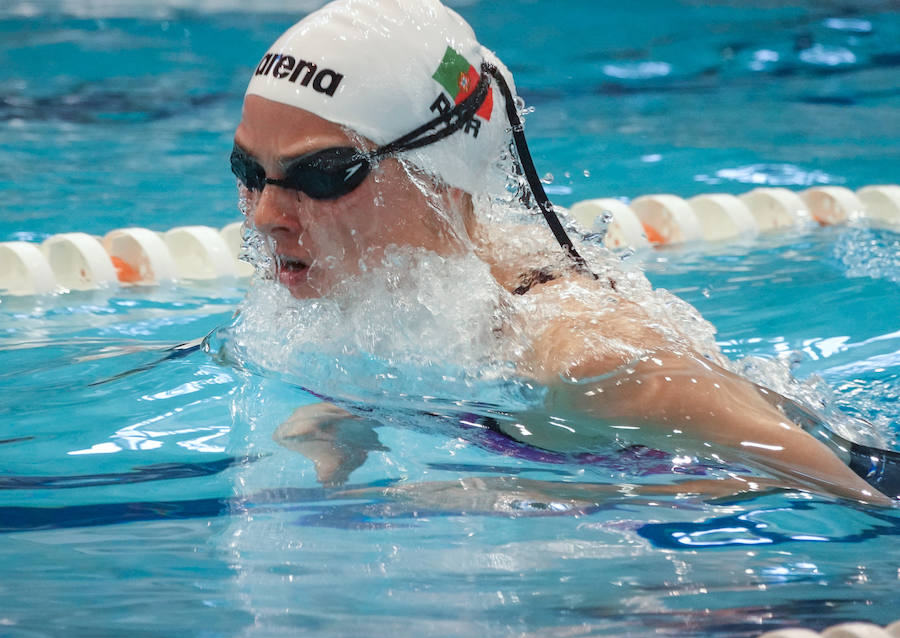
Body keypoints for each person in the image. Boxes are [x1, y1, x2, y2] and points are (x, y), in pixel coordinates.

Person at [230, 0, 897, 504]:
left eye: (323, 176)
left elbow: (845, 494)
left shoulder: (585, 357)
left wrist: (526, 500)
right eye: (250, 173)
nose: (266, 215)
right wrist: (352, 414)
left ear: (441, 171)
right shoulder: (423, 287)